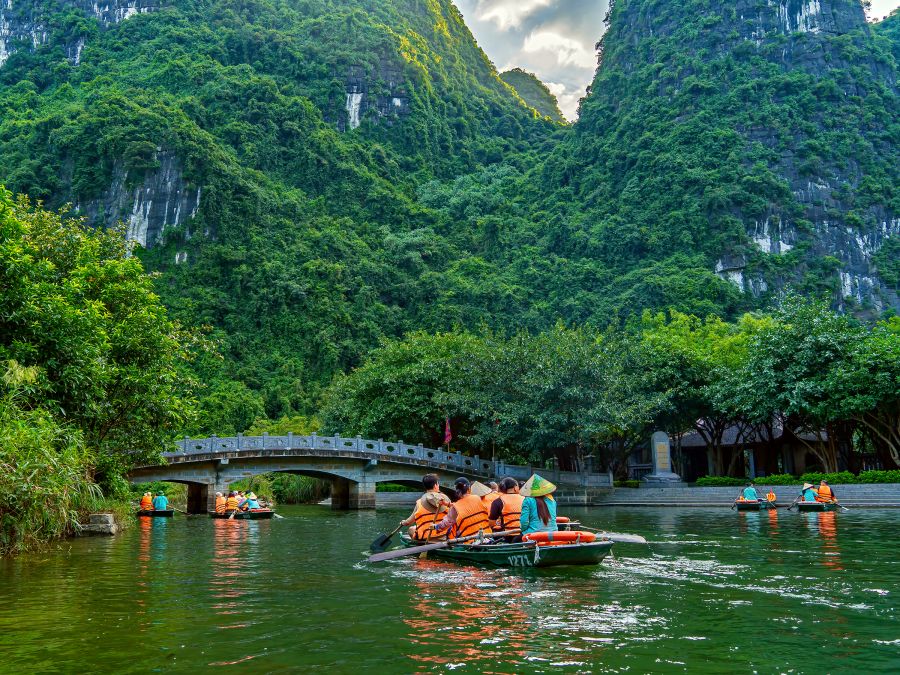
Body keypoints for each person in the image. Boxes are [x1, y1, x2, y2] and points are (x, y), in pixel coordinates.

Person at [401, 474, 451, 540]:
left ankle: (419, 544)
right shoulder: (446, 501)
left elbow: (408, 522)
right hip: (444, 536)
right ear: (435, 486)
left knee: (411, 529)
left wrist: (403, 522)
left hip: (425, 538)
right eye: (438, 484)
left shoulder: (419, 502)